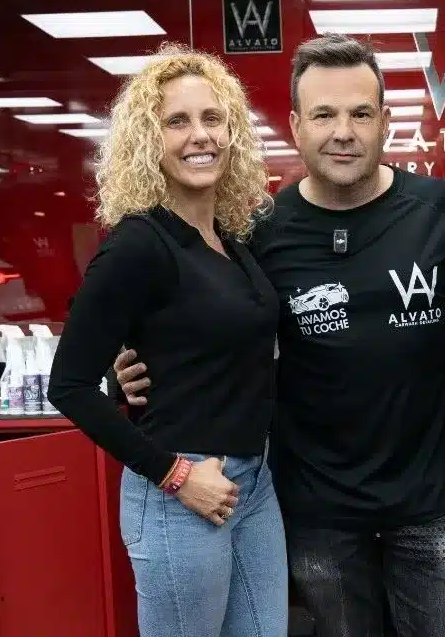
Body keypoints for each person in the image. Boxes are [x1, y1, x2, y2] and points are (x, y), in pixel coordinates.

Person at [116, 34, 445, 636]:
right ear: (295, 125)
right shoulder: (258, 231)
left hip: (427, 503)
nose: (344, 132)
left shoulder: (437, 210)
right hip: (315, 507)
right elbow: (201, 331)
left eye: (361, 114)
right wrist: (125, 372)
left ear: (385, 121)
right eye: (324, 114)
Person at [46, 43, 287, 637]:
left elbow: (189, 346)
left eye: (212, 118)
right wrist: (175, 476)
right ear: (148, 140)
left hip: (254, 485)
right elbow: (69, 385)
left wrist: (122, 373)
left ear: (232, 133)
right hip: (181, 494)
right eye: (177, 121)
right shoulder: (139, 244)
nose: (199, 135)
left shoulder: (228, 242)